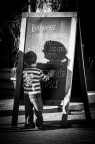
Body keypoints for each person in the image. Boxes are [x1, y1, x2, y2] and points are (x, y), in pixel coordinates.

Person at [23, 51, 54, 129]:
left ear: (25, 62)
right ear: (35, 61)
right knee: (38, 110)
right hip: (36, 94)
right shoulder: (38, 71)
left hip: (27, 94)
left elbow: (28, 81)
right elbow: (45, 78)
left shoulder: (24, 71)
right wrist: (50, 75)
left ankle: (28, 123)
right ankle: (39, 124)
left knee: (28, 110)